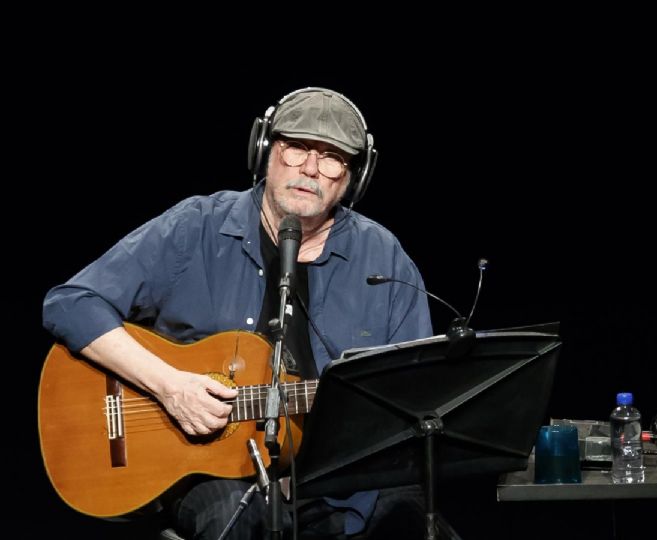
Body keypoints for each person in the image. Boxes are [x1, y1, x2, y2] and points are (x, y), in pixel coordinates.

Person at [42, 87, 433, 539]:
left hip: (339, 485)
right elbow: (71, 304)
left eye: (332, 158)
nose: (310, 169)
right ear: (264, 150)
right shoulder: (198, 227)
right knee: (240, 522)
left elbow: (414, 385)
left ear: (352, 179)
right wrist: (170, 387)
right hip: (213, 476)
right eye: (297, 147)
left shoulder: (383, 258)